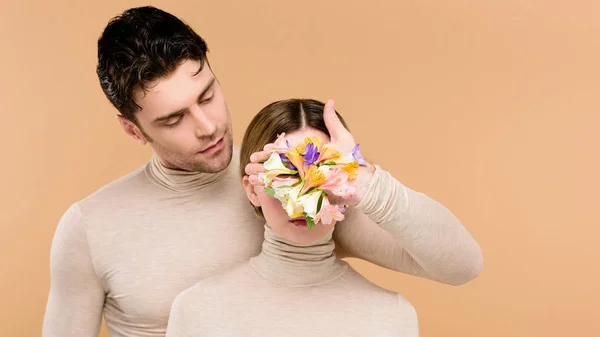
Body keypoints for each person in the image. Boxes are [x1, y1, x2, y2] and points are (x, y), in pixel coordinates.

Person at [42, 5, 482, 337]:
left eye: (208, 94)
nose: (208, 126)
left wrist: (362, 178)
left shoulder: (296, 184)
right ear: (132, 129)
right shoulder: (90, 227)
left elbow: (459, 266)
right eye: (174, 119)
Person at [164, 98, 420, 336]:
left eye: (320, 173)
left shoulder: (392, 317)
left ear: (346, 183)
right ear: (252, 190)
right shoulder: (198, 310)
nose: (301, 202)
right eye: (285, 177)